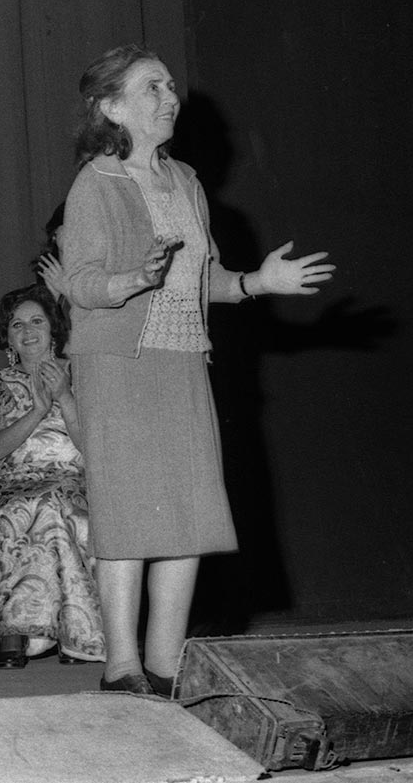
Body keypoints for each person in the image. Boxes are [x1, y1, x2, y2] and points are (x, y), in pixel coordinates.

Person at [60, 45, 335, 696]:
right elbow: (81, 284)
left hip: (183, 358)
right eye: (151, 87)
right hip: (118, 365)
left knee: (186, 515)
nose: (170, 96)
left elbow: (205, 279)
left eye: (170, 84)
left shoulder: (185, 180)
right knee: (129, 516)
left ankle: (164, 664)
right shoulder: (95, 183)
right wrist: (136, 278)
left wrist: (259, 281)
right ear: (112, 108)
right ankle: (121, 667)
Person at [0, 285, 104, 668]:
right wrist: (38, 410)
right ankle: (27, 630)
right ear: (7, 338)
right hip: (14, 485)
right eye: (16, 325)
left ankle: (51, 632)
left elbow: (95, 449)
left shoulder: (85, 376)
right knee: (32, 508)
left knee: (57, 505)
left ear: (53, 329)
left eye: (36, 321)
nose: (27, 331)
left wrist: (65, 397)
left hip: (78, 481)